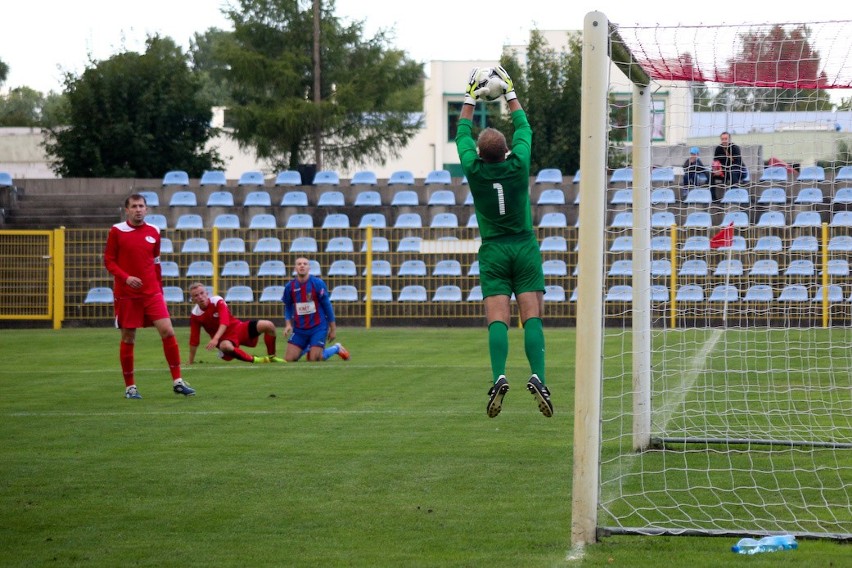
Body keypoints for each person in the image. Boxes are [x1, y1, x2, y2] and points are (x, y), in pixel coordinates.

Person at [455, 66, 552, 418]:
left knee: (498, 317)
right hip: (524, 247)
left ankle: (499, 375)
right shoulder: (519, 164)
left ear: (480, 155)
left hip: (493, 249)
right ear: (507, 150)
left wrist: (469, 96)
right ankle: (538, 376)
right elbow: (525, 128)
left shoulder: (474, 169)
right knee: (532, 314)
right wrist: (510, 92)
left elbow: (462, 135)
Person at [104, 193, 195, 399]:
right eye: (134, 206)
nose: (138, 209)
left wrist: (160, 292)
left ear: (146, 209)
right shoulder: (117, 231)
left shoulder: (154, 231)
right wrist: (126, 278)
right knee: (128, 337)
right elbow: (109, 261)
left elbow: (155, 263)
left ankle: (178, 381)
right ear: (127, 210)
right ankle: (130, 387)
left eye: (142, 206)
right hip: (127, 294)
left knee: (168, 331)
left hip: (152, 293)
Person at [187, 282, 285, 365]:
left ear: (207, 293)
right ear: (192, 300)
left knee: (269, 325)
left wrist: (215, 339)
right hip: (224, 339)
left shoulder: (217, 301)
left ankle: (272, 357)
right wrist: (190, 361)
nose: (200, 297)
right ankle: (256, 360)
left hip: (239, 328)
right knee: (225, 346)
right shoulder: (195, 315)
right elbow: (194, 340)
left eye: (202, 293)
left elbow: (224, 322)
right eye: (196, 295)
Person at [281, 257, 350, 362]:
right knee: (289, 359)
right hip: (300, 329)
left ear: (309, 268)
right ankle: (308, 347)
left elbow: (327, 306)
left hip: (318, 327)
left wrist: (333, 328)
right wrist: (288, 324)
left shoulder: (317, 284)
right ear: (295, 268)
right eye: (299, 264)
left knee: (315, 358)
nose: (302, 266)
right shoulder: (290, 287)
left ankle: (336, 348)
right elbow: (288, 306)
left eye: (305, 264)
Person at [711, 131, 745, 200]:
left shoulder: (735, 148)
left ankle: (734, 197)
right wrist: (717, 170)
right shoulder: (718, 148)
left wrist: (723, 169)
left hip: (738, 171)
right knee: (710, 175)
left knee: (733, 172)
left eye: (726, 139)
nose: (724, 141)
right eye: (722, 139)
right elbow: (716, 162)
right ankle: (713, 198)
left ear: (729, 139)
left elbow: (737, 164)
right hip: (723, 171)